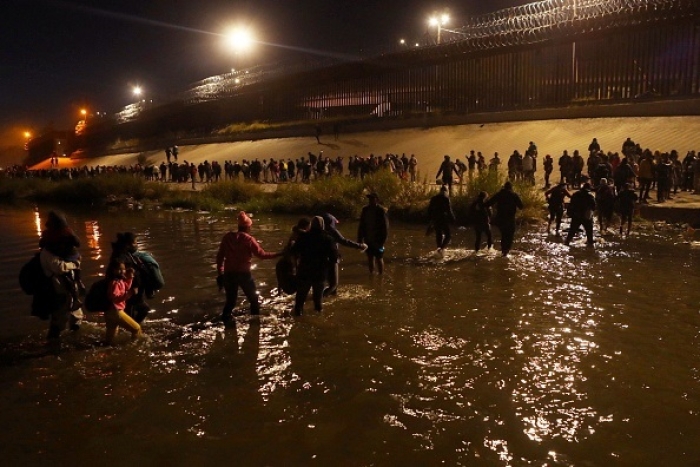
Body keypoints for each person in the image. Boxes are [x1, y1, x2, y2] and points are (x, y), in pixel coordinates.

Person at [216, 211, 281, 326]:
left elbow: (220, 257)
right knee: (254, 300)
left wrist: (220, 273)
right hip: (244, 275)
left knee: (230, 302)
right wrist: (279, 254)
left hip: (229, 274)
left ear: (238, 226)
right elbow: (262, 255)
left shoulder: (227, 238)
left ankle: (225, 322)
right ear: (248, 227)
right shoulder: (249, 240)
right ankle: (255, 325)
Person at [38, 212, 84, 340]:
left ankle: (76, 335)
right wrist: (75, 264)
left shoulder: (64, 249)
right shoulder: (47, 252)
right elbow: (59, 268)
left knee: (76, 312)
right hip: (56, 288)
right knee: (59, 317)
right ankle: (53, 343)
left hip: (69, 286)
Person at [290, 216, 337, 315]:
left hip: (304, 272)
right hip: (319, 273)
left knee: (299, 301)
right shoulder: (328, 239)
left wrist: (296, 265)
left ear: (312, 225)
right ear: (323, 225)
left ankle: (298, 319)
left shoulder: (303, 237)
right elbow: (334, 258)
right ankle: (318, 322)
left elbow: (293, 251)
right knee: (318, 302)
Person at [321, 213, 366, 296]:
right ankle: (318, 300)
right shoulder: (332, 231)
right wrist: (360, 246)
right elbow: (344, 241)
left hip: (321, 259)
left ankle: (331, 300)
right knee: (333, 285)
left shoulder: (317, 231)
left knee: (330, 284)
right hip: (332, 259)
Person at [110, 232, 152, 323]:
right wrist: (132, 285)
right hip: (129, 291)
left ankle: (133, 328)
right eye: (134, 243)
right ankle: (133, 329)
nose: (136, 245)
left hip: (132, 291)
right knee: (140, 310)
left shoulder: (126, 254)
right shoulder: (120, 256)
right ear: (128, 245)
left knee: (135, 311)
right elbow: (116, 270)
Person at [105, 259, 144, 345]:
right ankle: (135, 347)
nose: (122, 271)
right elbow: (115, 298)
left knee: (110, 340)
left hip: (109, 312)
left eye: (123, 269)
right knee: (136, 328)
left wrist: (130, 277)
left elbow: (125, 287)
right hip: (116, 312)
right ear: (113, 270)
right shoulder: (114, 283)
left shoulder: (119, 281)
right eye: (119, 269)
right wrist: (130, 293)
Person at [485, 181, 523, 256]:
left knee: (504, 235)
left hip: (500, 219)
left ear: (504, 187)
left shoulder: (499, 194)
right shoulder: (514, 195)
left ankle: (503, 251)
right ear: (511, 188)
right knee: (510, 236)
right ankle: (506, 252)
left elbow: (489, 203)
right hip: (510, 219)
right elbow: (521, 206)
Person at [276, 218, 310, 296]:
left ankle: (279, 295)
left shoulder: (295, 232)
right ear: (306, 226)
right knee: (297, 284)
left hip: (284, 260)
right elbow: (294, 247)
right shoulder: (302, 234)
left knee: (281, 282)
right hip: (291, 261)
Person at [358, 192, 389, 274]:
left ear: (377, 200)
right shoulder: (365, 209)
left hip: (378, 239)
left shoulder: (381, 210)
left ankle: (380, 275)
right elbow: (361, 225)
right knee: (370, 257)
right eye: (369, 199)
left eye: (372, 198)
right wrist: (360, 239)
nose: (370, 200)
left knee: (379, 258)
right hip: (368, 238)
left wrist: (382, 241)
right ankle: (371, 274)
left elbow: (385, 227)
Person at [565, 182, 596, 247]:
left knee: (572, 231)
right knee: (589, 232)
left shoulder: (575, 194)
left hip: (576, 215)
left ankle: (567, 243)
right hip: (586, 217)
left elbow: (571, 204)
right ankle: (590, 246)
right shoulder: (590, 196)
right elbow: (594, 207)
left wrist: (571, 213)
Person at [427, 185, 456, 252]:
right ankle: (441, 249)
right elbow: (449, 210)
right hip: (443, 218)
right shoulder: (446, 198)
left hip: (435, 219)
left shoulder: (433, 198)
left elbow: (429, 210)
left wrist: (431, 220)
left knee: (438, 234)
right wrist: (453, 219)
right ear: (446, 191)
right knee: (448, 236)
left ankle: (438, 249)